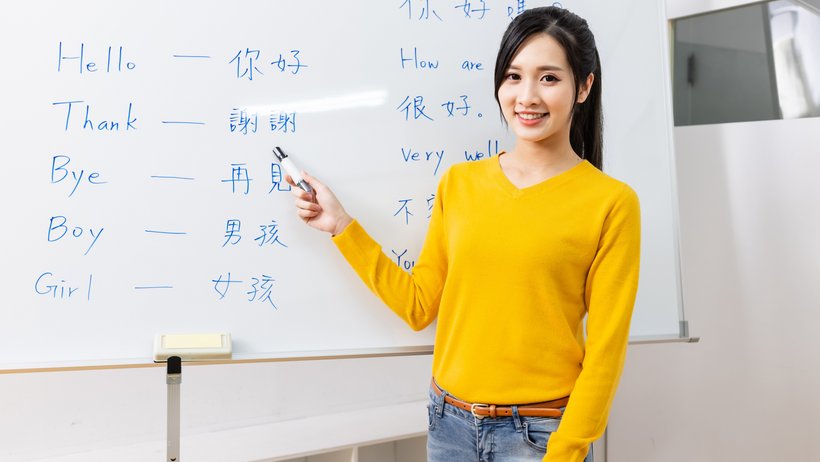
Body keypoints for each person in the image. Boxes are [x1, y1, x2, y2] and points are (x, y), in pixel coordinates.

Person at [287, 6, 640, 462]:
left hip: (539, 437)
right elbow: (419, 306)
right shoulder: (460, 183)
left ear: (584, 86)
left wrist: (565, 453)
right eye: (513, 76)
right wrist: (341, 226)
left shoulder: (611, 203)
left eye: (549, 78)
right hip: (449, 425)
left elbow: (605, 357)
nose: (526, 96)